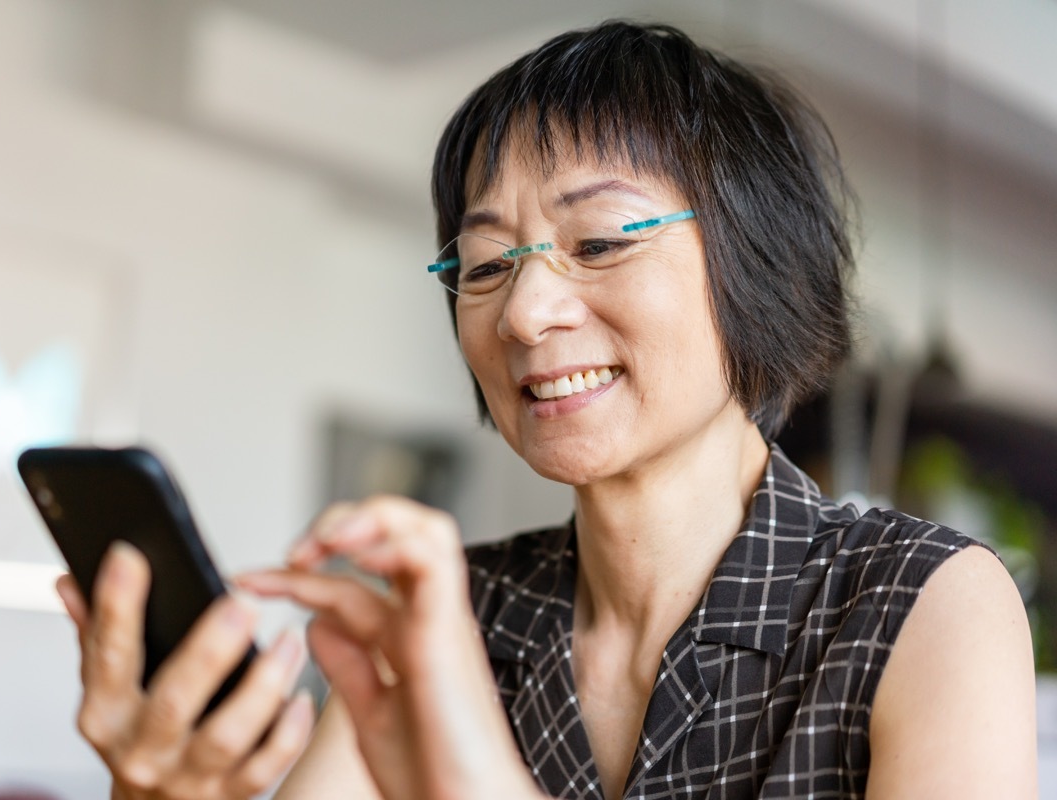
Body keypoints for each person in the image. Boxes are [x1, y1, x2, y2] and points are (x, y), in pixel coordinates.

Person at [54, 21, 1038, 800]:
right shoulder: (451, 617)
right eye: (484, 265)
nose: (523, 313)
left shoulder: (923, 602)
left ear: (759, 266)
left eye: (601, 242)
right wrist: (157, 790)